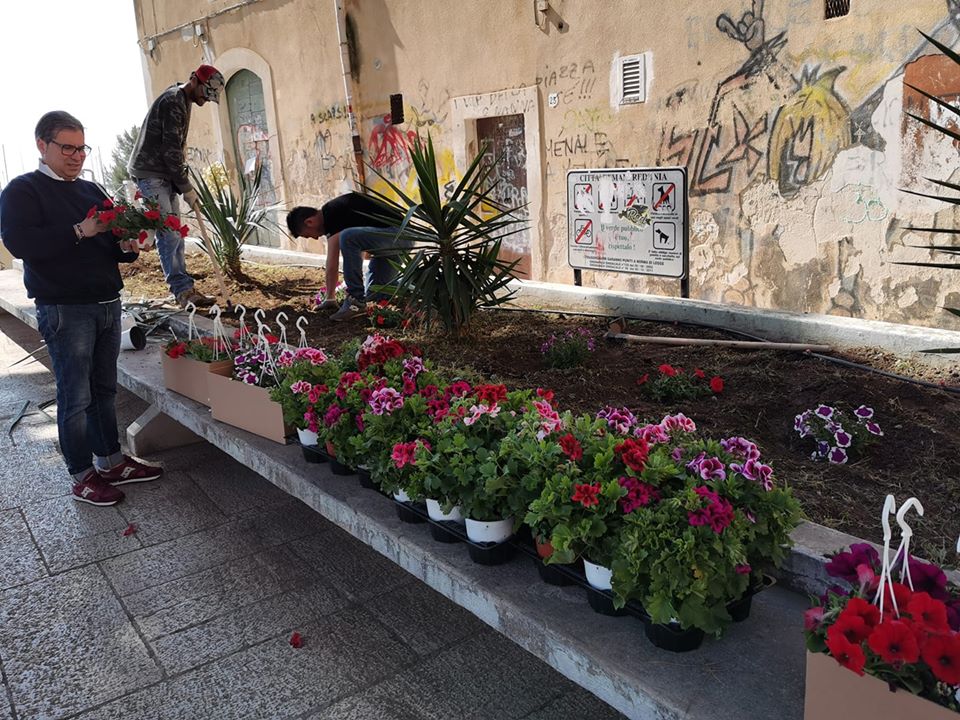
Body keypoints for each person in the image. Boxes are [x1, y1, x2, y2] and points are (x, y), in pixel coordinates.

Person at [0, 111, 164, 507]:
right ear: (42, 145)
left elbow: (110, 245)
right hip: (65, 309)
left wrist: (128, 246)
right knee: (75, 397)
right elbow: (20, 244)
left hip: (107, 303)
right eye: (68, 148)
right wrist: (79, 230)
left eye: (82, 148)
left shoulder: (92, 190)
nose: (77, 156)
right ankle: (81, 475)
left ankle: (111, 461)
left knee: (104, 390)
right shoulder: (22, 190)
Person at [128, 64, 225, 308]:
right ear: (194, 80)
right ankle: (181, 291)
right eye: (205, 93)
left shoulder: (183, 99)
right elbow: (171, 151)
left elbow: (174, 150)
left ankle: (185, 288)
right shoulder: (173, 101)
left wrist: (180, 183)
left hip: (164, 173)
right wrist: (186, 187)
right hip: (151, 173)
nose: (206, 99)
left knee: (176, 233)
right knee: (169, 233)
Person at [286, 192, 409, 321]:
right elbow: (358, 247)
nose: (315, 238)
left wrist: (330, 298)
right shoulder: (336, 212)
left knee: (347, 237)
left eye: (308, 235)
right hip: (394, 241)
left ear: (309, 222)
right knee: (375, 295)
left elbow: (332, 263)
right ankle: (411, 285)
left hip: (400, 235)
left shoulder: (331, 214)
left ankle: (355, 300)